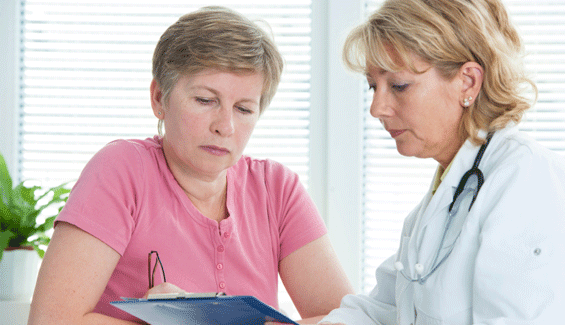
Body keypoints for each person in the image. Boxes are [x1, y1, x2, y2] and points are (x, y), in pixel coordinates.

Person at [28, 6, 353, 325]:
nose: (224, 126)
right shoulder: (121, 170)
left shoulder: (277, 189)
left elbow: (348, 320)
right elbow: (51, 319)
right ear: (159, 98)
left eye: (243, 109)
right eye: (204, 100)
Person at [317, 0, 565, 324]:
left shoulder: (531, 186)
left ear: (467, 82)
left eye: (398, 85)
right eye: (373, 86)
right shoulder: (444, 199)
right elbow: (381, 311)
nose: (377, 108)